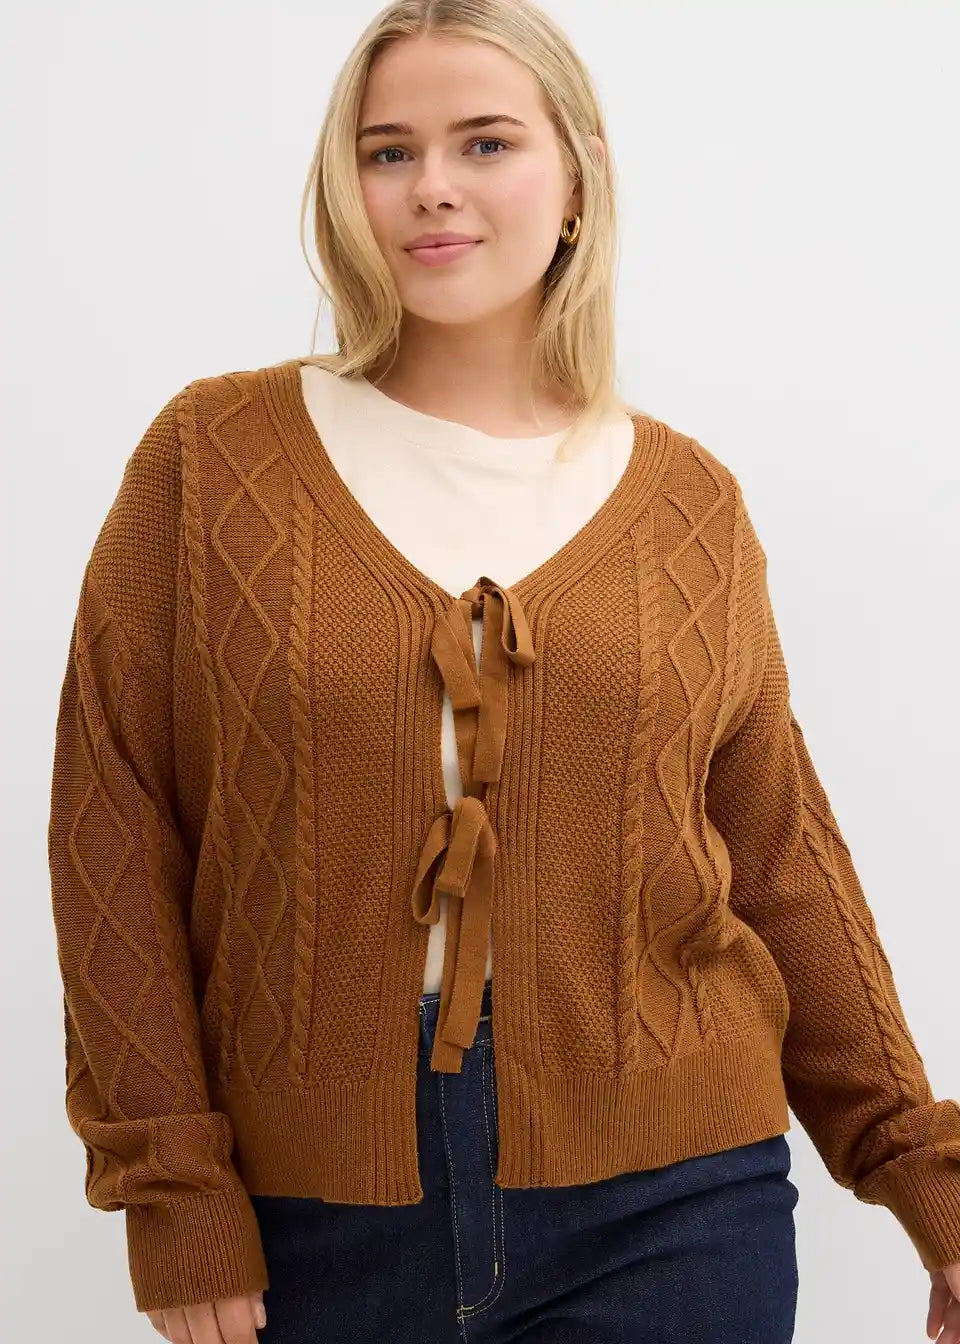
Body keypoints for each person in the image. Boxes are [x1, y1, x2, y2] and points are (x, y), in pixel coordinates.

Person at [46, 2, 960, 1342]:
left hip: (674, 1205)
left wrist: (926, 1176)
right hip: (313, 1218)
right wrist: (173, 1191)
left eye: (485, 142)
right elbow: (113, 824)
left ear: (578, 175)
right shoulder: (211, 457)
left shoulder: (689, 505)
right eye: (388, 151)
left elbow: (778, 855)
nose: (432, 187)